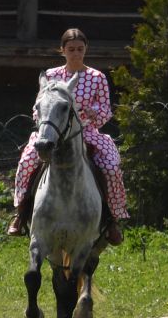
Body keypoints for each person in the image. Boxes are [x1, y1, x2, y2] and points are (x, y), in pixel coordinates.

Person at [7, 27, 129, 245]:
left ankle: (112, 219)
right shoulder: (51, 76)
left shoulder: (97, 77)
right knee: (26, 162)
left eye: (80, 49)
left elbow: (106, 111)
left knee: (111, 167)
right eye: (71, 49)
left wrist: (94, 113)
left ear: (86, 50)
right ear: (62, 50)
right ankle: (21, 213)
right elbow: (38, 107)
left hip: (87, 133)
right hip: (52, 132)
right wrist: (44, 123)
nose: (76, 53)